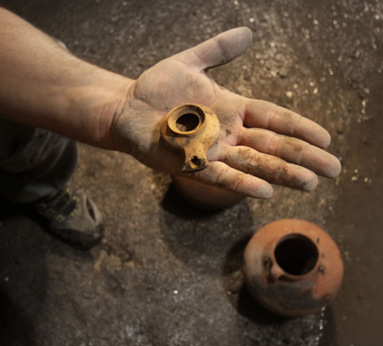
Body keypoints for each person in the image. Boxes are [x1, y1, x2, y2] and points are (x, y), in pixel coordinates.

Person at [0, 7, 341, 249]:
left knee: (27, 135)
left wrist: (118, 103)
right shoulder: (178, 133)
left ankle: (39, 186)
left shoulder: (185, 125)